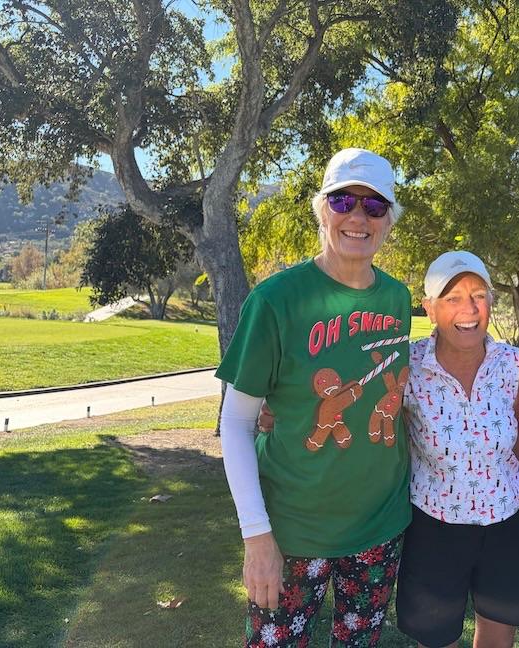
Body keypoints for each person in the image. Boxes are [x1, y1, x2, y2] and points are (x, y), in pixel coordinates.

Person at [215, 148, 413, 648]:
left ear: (389, 220)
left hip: (379, 526)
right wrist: (256, 536)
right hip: (292, 531)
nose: (358, 217)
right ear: (322, 209)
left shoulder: (398, 299)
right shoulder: (274, 302)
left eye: (374, 206)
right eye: (344, 201)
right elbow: (235, 422)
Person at [394, 251, 519, 648]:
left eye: (478, 295)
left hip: (505, 519)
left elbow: (517, 432)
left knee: (498, 636)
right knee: (437, 639)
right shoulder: (408, 366)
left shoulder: (511, 362)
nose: (469, 309)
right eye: (452, 297)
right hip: (434, 523)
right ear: (429, 308)